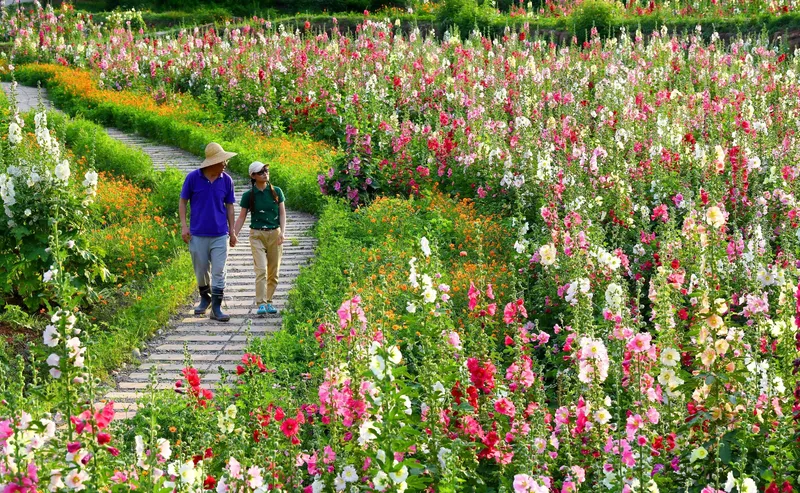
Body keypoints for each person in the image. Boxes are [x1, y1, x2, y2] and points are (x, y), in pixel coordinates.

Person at [179, 142, 238, 322]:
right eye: (222, 162)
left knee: (219, 270)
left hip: (220, 234)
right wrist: (184, 226)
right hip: (197, 233)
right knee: (201, 270)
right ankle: (205, 298)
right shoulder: (193, 178)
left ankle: (217, 308)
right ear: (212, 163)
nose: (225, 165)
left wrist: (232, 231)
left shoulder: (227, 180)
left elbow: (230, 207)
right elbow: (183, 202)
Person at [233, 161, 286, 315]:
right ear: (253, 176)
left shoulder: (276, 191)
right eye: (261, 172)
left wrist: (282, 232)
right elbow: (242, 217)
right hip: (256, 234)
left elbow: (282, 213)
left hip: (274, 233)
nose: (265, 173)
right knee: (261, 269)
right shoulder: (248, 195)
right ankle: (261, 303)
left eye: (266, 170)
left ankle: (269, 301)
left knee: (273, 271)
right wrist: (234, 234)